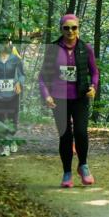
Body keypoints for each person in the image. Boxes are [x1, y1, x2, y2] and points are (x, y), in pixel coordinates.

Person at [39, 13, 100, 188]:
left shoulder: (85, 48)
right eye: (66, 28)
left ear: (78, 28)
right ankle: (67, 172)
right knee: (65, 135)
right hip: (59, 99)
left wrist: (93, 87)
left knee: (81, 132)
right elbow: (42, 77)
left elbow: (94, 72)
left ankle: (83, 165)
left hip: (80, 97)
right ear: (61, 29)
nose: (70, 31)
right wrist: (46, 95)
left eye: (74, 27)